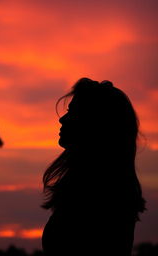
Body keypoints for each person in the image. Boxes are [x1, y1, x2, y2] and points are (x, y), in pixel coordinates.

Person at [41, 78, 146, 256]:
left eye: (74, 112)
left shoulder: (103, 195)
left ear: (95, 123)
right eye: (68, 111)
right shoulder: (92, 188)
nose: (63, 119)